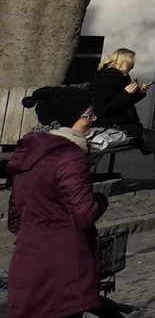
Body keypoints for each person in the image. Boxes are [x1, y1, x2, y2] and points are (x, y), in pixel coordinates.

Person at [6, 85, 108, 318]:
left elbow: (14, 220)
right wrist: (101, 200)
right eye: (87, 114)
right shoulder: (70, 156)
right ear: (67, 119)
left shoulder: (26, 153)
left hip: (27, 260)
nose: (94, 118)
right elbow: (85, 214)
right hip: (64, 264)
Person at [87, 48, 155, 193]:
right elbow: (102, 110)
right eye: (131, 63)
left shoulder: (123, 78)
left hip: (126, 122)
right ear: (123, 62)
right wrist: (125, 94)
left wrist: (138, 94)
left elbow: (124, 103)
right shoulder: (103, 79)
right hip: (111, 124)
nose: (132, 66)